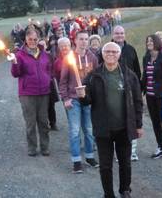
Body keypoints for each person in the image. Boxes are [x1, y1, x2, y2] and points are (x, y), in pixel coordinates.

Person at [76, 42, 143, 198]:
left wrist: (138, 125)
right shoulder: (94, 76)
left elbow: (138, 101)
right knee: (105, 166)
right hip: (103, 129)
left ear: (119, 54)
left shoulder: (129, 75)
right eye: (107, 51)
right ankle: (108, 194)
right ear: (102, 54)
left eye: (114, 51)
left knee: (125, 163)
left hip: (124, 128)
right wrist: (82, 96)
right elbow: (87, 101)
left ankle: (125, 190)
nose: (111, 54)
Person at [59, 30, 99, 173]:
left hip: (87, 100)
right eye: (81, 39)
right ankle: (76, 160)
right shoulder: (69, 58)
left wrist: (95, 97)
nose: (84, 42)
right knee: (75, 131)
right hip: (73, 100)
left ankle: (89, 156)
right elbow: (62, 81)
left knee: (89, 130)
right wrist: (65, 98)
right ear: (75, 41)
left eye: (86, 39)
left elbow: (96, 80)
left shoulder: (93, 58)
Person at [11, 28, 52, 157]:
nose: (33, 41)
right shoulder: (19, 55)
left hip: (44, 93)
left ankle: (45, 147)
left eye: (35, 39)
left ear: (39, 39)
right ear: (26, 40)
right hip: (27, 94)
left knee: (44, 122)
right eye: (30, 39)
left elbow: (49, 70)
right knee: (30, 123)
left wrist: (48, 80)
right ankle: (32, 147)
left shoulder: (45, 54)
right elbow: (15, 73)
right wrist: (14, 63)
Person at [110, 25, 141, 161]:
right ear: (113, 34)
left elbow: (137, 71)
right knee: (117, 122)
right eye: (117, 33)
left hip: (130, 90)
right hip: (113, 91)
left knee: (132, 120)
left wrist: (139, 89)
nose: (119, 36)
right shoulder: (107, 49)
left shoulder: (130, 50)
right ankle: (118, 152)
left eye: (122, 33)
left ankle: (132, 151)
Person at [141, 34, 162, 159]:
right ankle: (161, 147)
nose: (149, 43)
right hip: (150, 96)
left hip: (161, 96)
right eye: (147, 41)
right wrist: (140, 90)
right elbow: (145, 76)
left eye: (151, 41)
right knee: (155, 122)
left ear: (157, 43)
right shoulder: (146, 57)